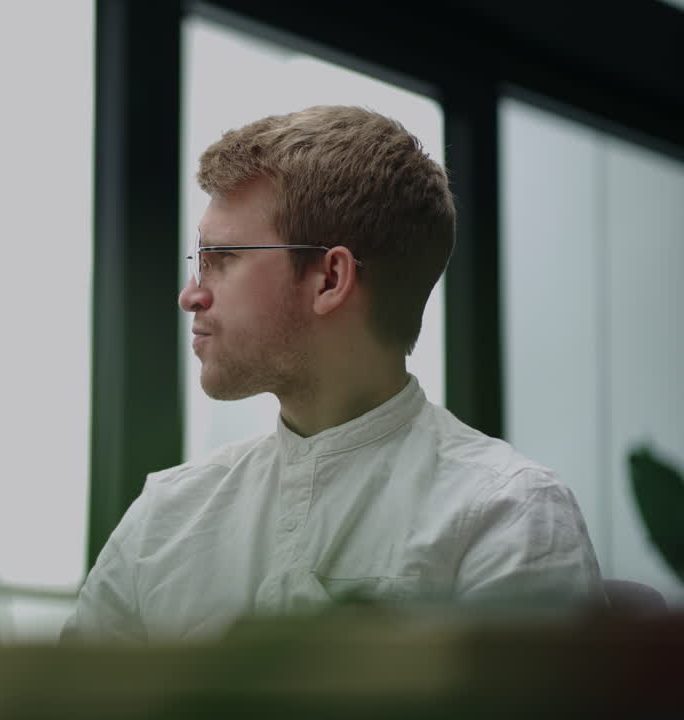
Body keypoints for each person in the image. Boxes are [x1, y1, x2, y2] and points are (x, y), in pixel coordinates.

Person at [61, 106, 603, 644]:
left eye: (222, 257)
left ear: (330, 278)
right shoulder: (167, 513)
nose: (192, 294)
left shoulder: (507, 515)